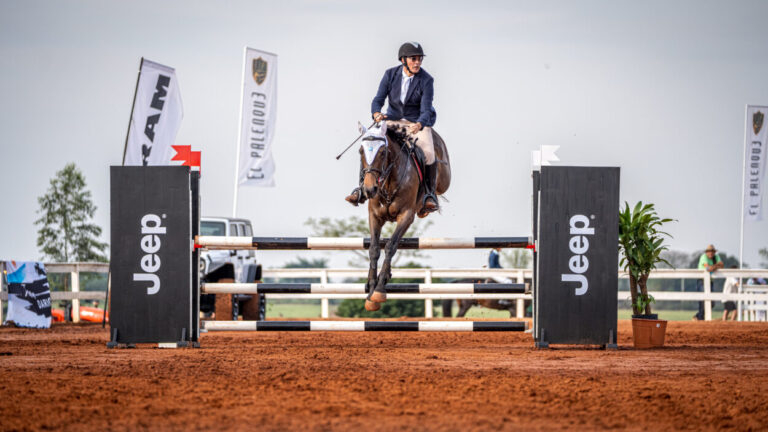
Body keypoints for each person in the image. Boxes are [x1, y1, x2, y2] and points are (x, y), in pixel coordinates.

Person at [345, 41, 439, 214]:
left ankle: (429, 195)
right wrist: (376, 113)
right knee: (371, 144)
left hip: (416, 123)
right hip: (393, 120)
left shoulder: (426, 80)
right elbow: (378, 100)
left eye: (419, 59)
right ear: (403, 60)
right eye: (413, 59)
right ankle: (361, 189)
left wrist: (419, 124)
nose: (417, 62)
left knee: (428, 152)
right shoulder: (390, 75)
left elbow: (426, 109)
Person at [694, 244, 724, 321]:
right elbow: (708, 268)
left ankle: (698, 316)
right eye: (709, 251)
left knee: (712, 302)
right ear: (706, 252)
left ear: (714, 252)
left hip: (710, 281)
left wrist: (713, 266)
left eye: (712, 251)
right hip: (702, 280)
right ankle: (700, 318)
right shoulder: (703, 257)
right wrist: (716, 266)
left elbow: (722, 265)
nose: (711, 253)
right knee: (703, 300)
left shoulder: (716, 257)